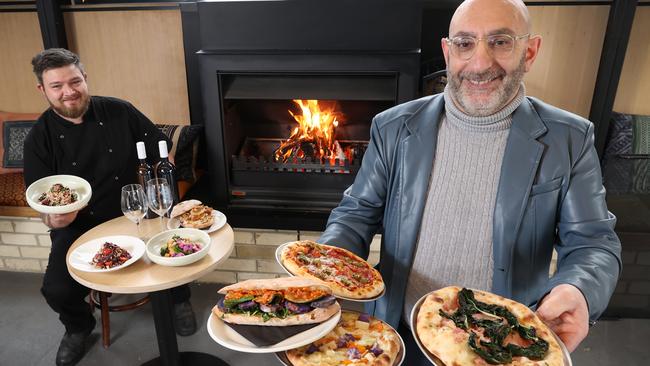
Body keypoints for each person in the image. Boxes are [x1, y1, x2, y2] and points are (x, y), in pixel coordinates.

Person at [319, 0, 622, 362]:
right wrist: (322, 267)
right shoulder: (393, 127)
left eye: (500, 42)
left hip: (501, 347)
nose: (479, 63)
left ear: (530, 51)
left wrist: (579, 289)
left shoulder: (569, 138)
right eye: (465, 43)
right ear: (448, 52)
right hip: (398, 338)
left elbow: (593, 243)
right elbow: (357, 212)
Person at [24, 48, 197, 366]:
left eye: (75, 81)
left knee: (173, 248)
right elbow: (44, 206)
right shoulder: (39, 138)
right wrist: (56, 219)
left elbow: (161, 149)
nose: (69, 92)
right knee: (56, 289)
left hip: (135, 211)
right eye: (57, 86)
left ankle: (178, 299)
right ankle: (78, 328)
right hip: (80, 224)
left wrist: (162, 179)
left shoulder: (119, 111)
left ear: (85, 78)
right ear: (43, 89)